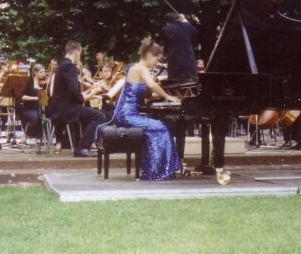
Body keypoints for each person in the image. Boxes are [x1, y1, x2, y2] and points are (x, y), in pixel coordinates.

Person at [110, 38, 182, 180]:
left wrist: (167, 95)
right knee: (161, 128)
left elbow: (146, 92)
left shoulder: (134, 68)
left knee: (162, 125)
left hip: (126, 113)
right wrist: (168, 96)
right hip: (126, 115)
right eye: (157, 59)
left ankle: (158, 168)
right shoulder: (140, 68)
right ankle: (155, 171)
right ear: (149, 56)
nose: (157, 63)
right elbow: (153, 85)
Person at [48, 41, 106, 157]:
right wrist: (91, 93)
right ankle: (82, 148)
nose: (80, 56)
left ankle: (91, 143)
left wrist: (86, 94)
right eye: (80, 53)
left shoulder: (61, 65)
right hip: (65, 110)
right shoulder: (70, 66)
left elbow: (70, 92)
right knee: (100, 116)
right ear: (76, 52)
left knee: (89, 115)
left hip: (58, 108)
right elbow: (74, 91)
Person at [162, 12, 198, 81]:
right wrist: (184, 20)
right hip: (188, 61)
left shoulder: (166, 29)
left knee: (174, 83)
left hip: (174, 61)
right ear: (178, 19)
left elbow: (166, 46)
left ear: (167, 21)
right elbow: (195, 32)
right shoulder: (187, 26)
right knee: (190, 82)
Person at [20, 64, 47, 146]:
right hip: (29, 109)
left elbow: (44, 101)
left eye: (44, 72)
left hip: (41, 108)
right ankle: (26, 134)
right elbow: (23, 97)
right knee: (36, 117)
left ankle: (42, 137)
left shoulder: (44, 84)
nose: (43, 74)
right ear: (35, 72)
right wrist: (35, 98)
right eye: (41, 72)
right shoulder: (29, 83)